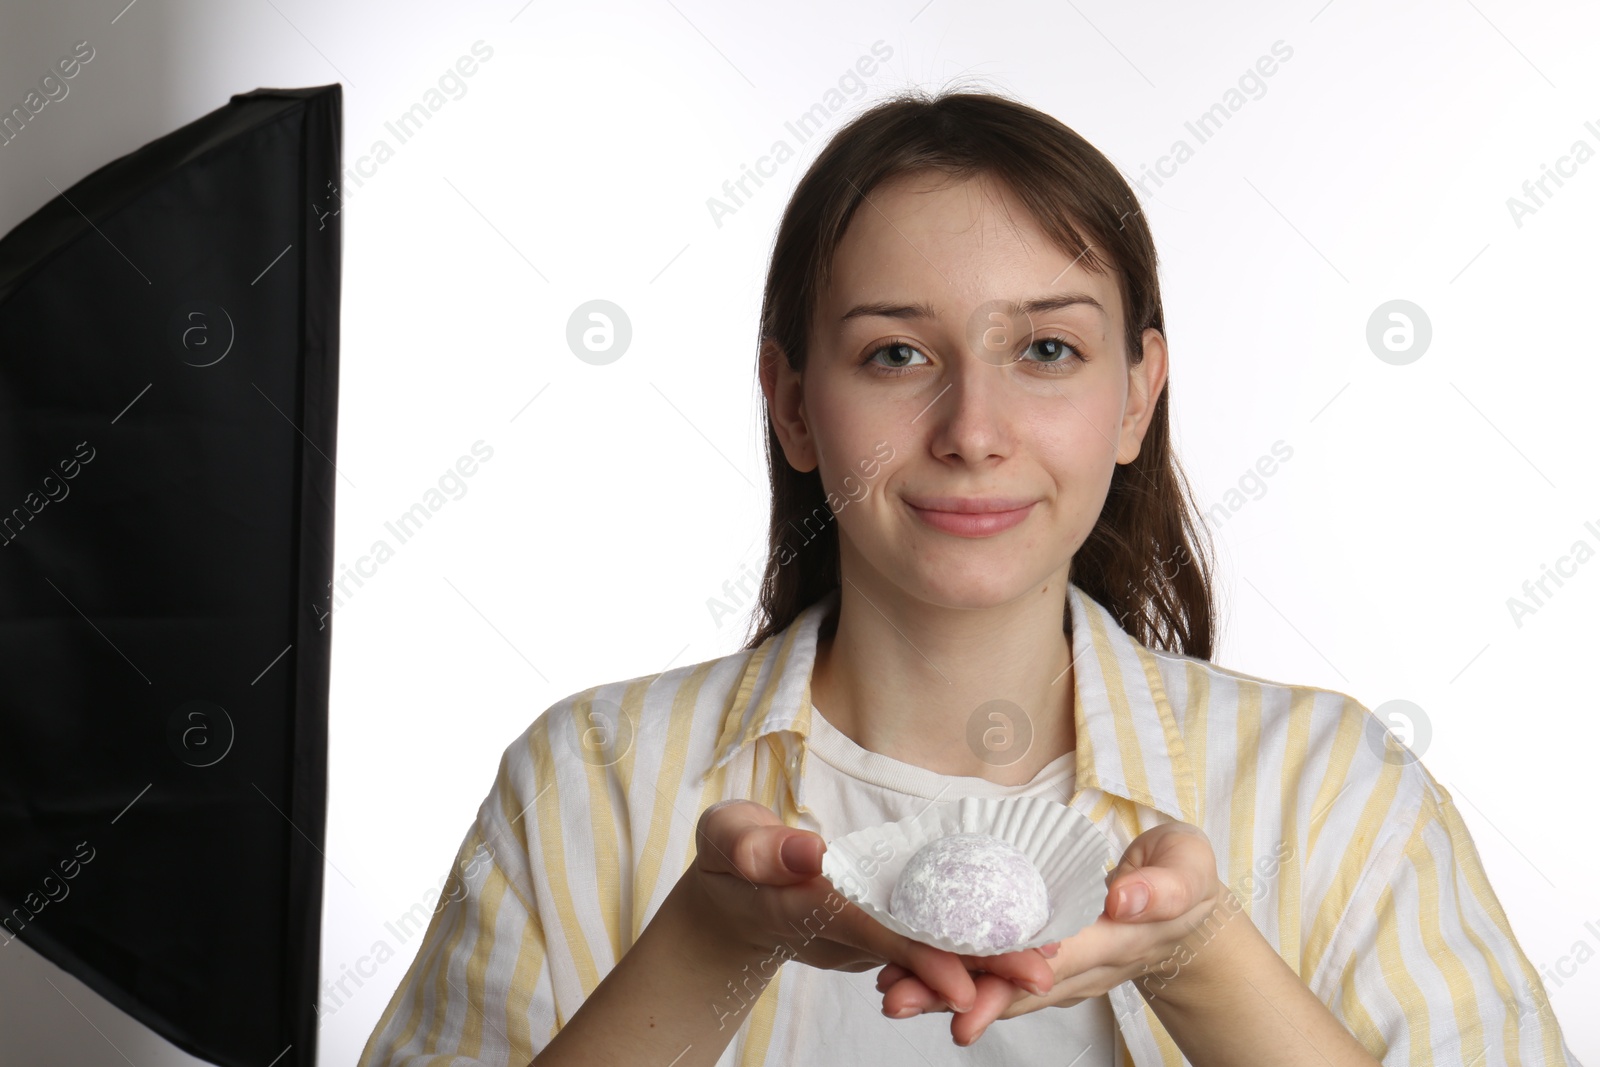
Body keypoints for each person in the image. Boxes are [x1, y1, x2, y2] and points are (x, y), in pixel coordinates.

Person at [357, 88, 1580, 1067]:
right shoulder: (588, 781)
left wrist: (1201, 956)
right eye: (895, 353)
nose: (972, 427)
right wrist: (704, 945)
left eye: (1046, 348)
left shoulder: (1333, 792)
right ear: (792, 404)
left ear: (1136, 396)